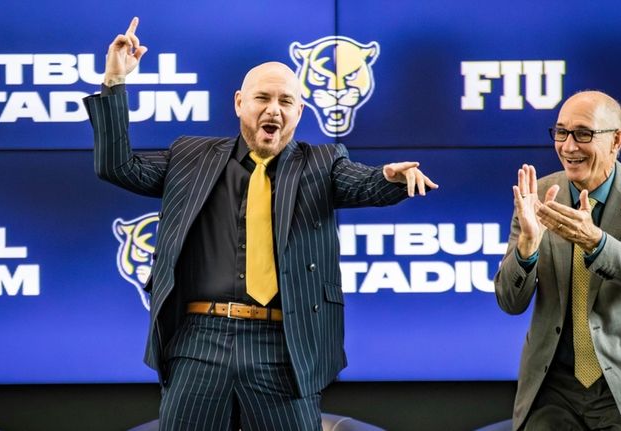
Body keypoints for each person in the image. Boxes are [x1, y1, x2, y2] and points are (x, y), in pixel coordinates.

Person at [84, 17, 438, 431]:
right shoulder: (191, 156)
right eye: (262, 98)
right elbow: (118, 166)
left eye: (286, 101)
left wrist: (388, 178)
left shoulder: (323, 164)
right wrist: (114, 82)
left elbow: (364, 183)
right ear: (239, 104)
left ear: (300, 111)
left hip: (282, 348)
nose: (274, 110)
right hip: (200, 343)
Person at [494, 90, 621, 430]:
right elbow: (510, 302)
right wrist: (527, 246)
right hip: (554, 384)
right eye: (561, 132)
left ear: (616, 140)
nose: (568, 146)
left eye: (583, 133)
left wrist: (596, 241)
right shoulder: (537, 197)